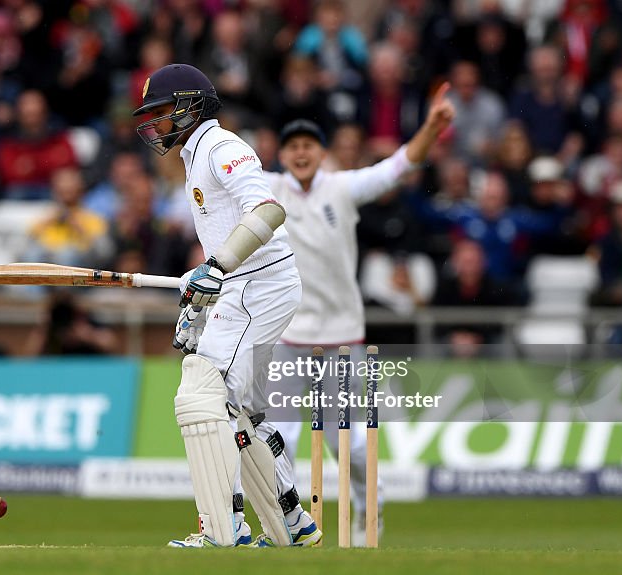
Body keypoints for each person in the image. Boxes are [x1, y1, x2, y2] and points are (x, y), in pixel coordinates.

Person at [134, 63, 317, 548]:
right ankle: (292, 525)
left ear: (191, 105)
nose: (155, 123)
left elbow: (268, 211)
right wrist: (200, 295)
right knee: (248, 414)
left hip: (260, 286)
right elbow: (225, 241)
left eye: (162, 111)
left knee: (203, 395)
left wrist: (215, 268)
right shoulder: (196, 156)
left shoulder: (221, 147)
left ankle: (222, 528)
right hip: (246, 287)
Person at [265, 84, 455, 546]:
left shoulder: (342, 187)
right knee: (279, 442)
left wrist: (430, 127)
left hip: (343, 336)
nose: (301, 153)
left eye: (309, 145)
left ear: (322, 151)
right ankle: (282, 524)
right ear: (283, 154)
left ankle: (370, 513)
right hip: (289, 336)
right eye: (293, 147)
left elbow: (399, 167)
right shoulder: (267, 190)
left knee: (344, 446)